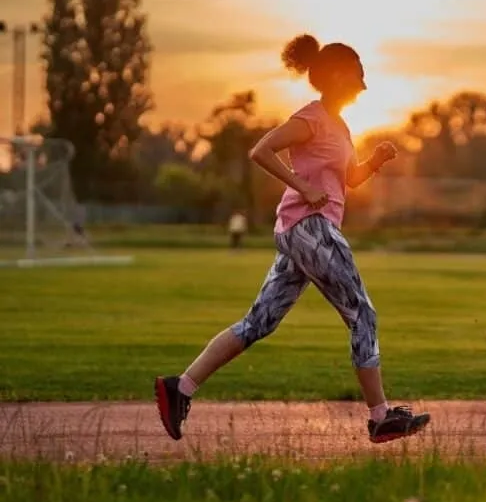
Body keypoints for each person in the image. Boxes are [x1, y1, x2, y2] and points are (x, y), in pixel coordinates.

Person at [154, 34, 430, 444]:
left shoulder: (338, 125)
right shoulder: (311, 118)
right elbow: (261, 150)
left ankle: (181, 388)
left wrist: (375, 161)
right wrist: (301, 186)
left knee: (258, 322)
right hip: (311, 227)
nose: (365, 84)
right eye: (359, 75)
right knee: (362, 313)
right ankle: (380, 417)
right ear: (338, 75)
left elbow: (348, 178)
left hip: (302, 231)